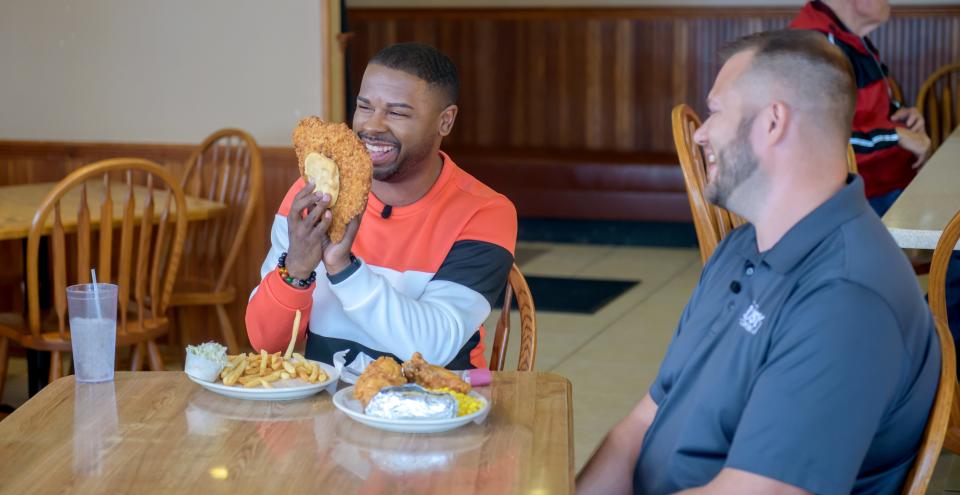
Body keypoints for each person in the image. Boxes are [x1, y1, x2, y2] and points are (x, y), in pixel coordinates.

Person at [576, 30, 940, 494]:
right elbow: (638, 427)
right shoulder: (741, 248)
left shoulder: (846, 300)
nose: (701, 133)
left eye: (716, 111)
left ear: (772, 123)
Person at [245, 42, 518, 372]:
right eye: (364, 107)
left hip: (440, 409)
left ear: (445, 121)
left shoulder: (484, 212)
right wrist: (297, 272)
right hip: (329, 408)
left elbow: (435, 347)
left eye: (397, 112)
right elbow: (265, 343)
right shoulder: (310, 196)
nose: (372, 126)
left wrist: (343, 269)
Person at [790, 0, 930, 216]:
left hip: (886, 182)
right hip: (849, 202)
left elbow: (871, 108)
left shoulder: (853, 39)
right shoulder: (813, 49)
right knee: (952, 244)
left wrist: (902, 115)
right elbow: (818, 140)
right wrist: (895, 136)